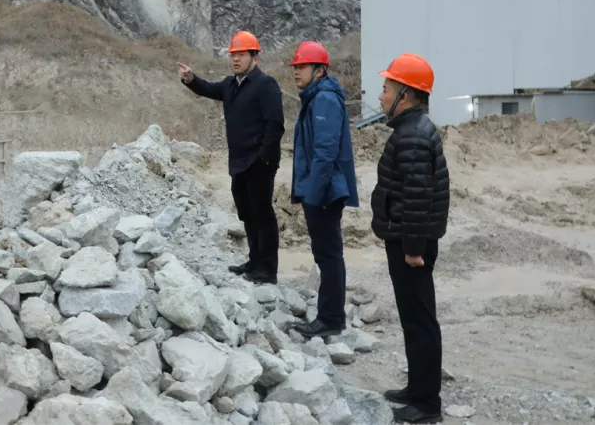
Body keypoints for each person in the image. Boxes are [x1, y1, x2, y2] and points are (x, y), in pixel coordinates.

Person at [371, 53, 450, 425]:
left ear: (405, 94)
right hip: (406, 238)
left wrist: (414, 250)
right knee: (414, 319)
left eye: (386, 89)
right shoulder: (411, 130)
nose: (381, 96)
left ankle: (426, 403)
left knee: (420, 322)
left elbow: (418, 197)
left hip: (410, 243)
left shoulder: (413, 136)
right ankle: (416, 388)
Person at [178, 31, 284, 284]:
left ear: (255, 57)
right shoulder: (230, 85)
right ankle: (254, 261)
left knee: (262, 214)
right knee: (247, 213)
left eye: (241, 54)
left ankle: (268, 269)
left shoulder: (265, 84)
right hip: (239, 162)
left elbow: (275, 124)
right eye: (233, 55)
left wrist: (265, 159)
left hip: (258, 162)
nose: (235, 59)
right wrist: (191, 80)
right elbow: (208, 88)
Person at [288, 41, 359, 339]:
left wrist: (313, 197)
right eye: (295, 67)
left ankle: (330, 319)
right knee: (326, 254)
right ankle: (330, 315)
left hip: (325, 192)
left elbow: (326, 152)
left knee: (329, 256)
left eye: (302, 66)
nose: (296, 71)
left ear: (319, 70)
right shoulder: (315, 98)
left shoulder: (325, 100)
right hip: (320, 189)